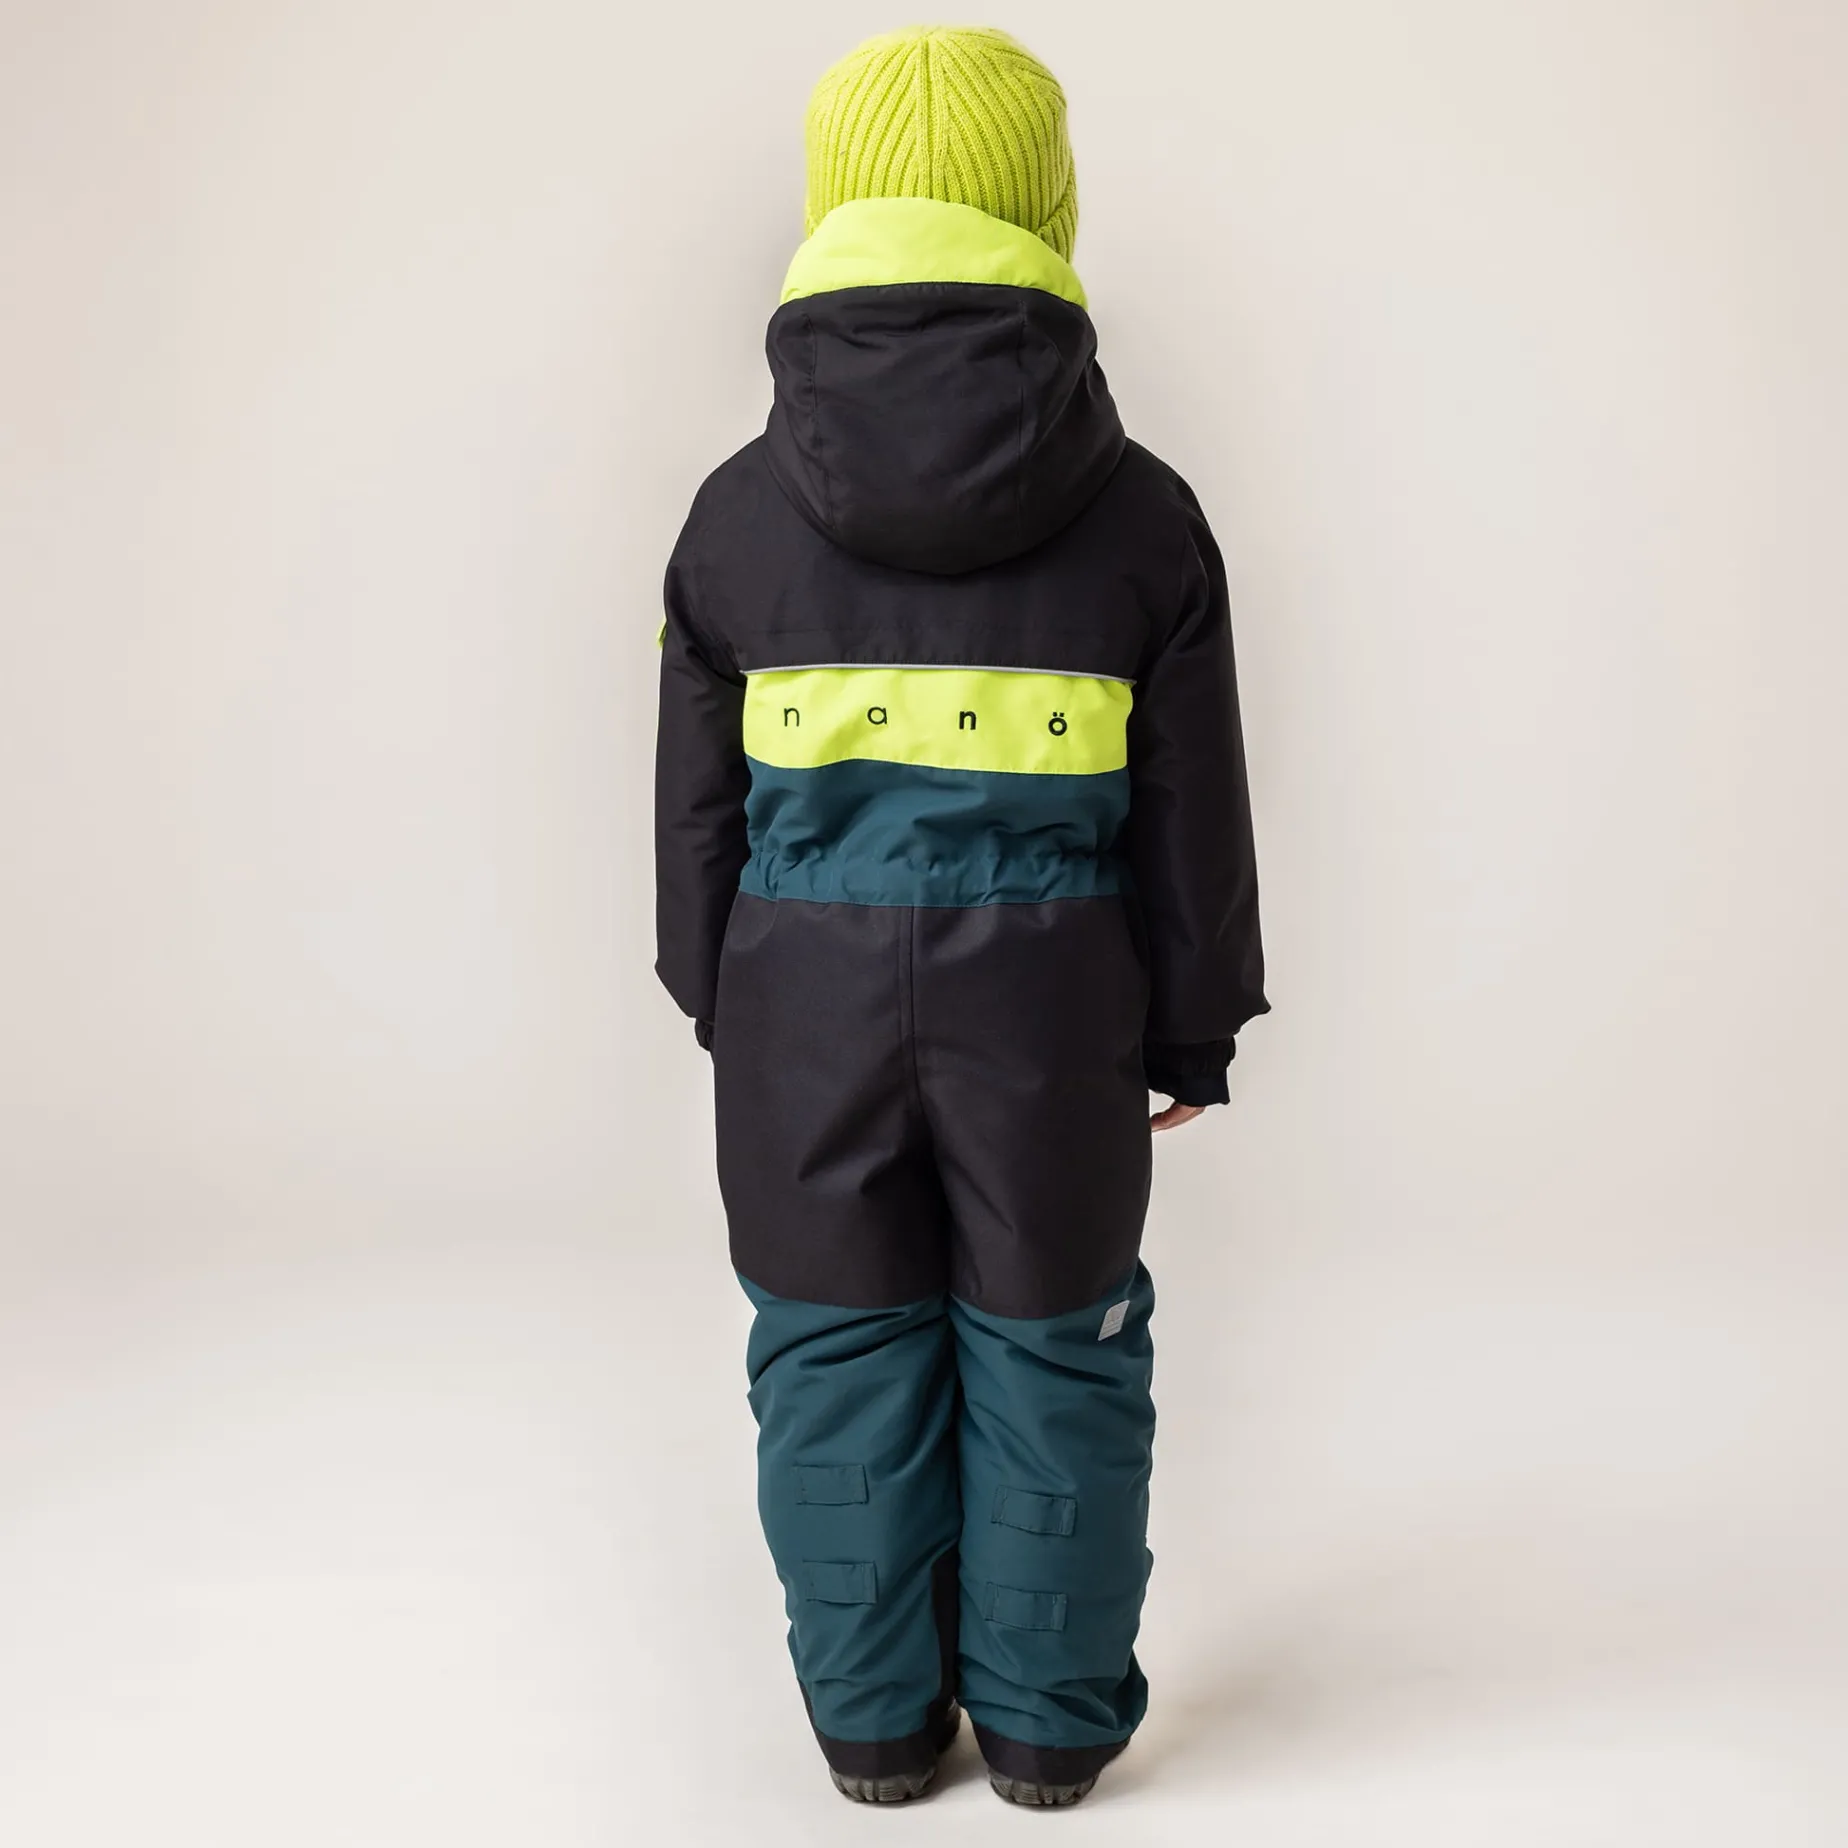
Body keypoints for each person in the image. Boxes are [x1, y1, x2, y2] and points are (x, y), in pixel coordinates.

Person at [653, 24, 1267, 1808]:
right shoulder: (1144, 519)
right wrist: (1192, 1025)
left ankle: (870, 1728)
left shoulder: (734, 518)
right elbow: (1195, 807)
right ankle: (1053, 1734)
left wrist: (724, 995)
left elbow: (693, 810)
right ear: (1047, 215)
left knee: (835, 1348)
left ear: (830, 214)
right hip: (1052, 1000)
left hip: (800, 997)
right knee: (1054, 1348)